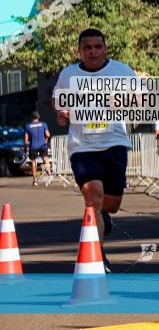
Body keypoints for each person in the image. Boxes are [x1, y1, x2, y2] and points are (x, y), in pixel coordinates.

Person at [54, 28, 139, 273]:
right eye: (87, 48)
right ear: (79, 51)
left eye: (97, 47)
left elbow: (142, 98)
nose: (93, 52)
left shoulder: (122, 71)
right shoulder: (69, 74)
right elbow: (59, 100)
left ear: (105, 48)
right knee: (93, 198)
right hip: (83, 147)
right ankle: (98, 256)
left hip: (114, 144)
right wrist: (62, 113)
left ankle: (105, 217)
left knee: (110, 205)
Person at [24, 111, 51, 185]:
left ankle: (35, 180)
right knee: (45, 158)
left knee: (33, 161)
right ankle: (49, 174)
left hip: (33, 146)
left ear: (31, 118)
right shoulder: (44, 124)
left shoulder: (28, 126)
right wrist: (46, 140)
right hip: (43, 145)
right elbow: (48, 135)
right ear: (38, 117)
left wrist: (25, 147)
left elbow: (26, 140)